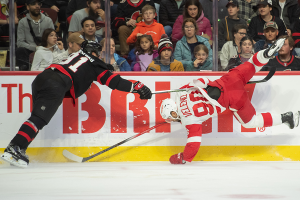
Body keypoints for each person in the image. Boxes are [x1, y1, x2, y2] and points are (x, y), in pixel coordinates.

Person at [0, 32, 152, 168]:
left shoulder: (75, 56)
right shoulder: (94, 63)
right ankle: (14, 148)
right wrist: (137, 86)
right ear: (94, 52)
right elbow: (114, 82)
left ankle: (19, 149)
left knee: (37, 119)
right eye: (98, 53)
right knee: (38, 119)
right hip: (56, 83)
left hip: (42, 78)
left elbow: (83, 68)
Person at [160, 38, 300, 164]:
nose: (172, 121)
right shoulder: (182, 92)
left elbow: (194, 144)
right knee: (252, 64)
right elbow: (203, 80)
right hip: (230, 79)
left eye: (170, 119)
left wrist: (183, 158)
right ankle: (266, 54)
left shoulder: (188, 120)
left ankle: (287, 117)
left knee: (251, 122)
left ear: (173, 113)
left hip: (234, 99)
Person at [16, 0, 55, 71]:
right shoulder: (22, 22)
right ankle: (24, 72)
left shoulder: (48, 20)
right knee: (20, 50)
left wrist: (43, 48)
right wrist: (35, 48)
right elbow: (20, 42)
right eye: (33, 4)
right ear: (27, 7)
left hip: (46, 48)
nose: (37, 6)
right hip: (29, 49)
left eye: (39, 4)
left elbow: (53, 39)